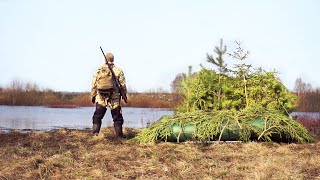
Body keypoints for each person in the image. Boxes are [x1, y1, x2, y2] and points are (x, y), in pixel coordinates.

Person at [90, 52, 127, 138]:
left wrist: (93, 96)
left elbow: (94, 84)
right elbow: (123, 84)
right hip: (114, 96)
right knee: (117, 117)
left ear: (105, 59)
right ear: (113, 59)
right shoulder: (118, 70)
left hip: (101, 96)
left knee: (97, 115)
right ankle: (119, 135)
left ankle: (95, 134)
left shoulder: (99, 70)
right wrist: (124, 95)